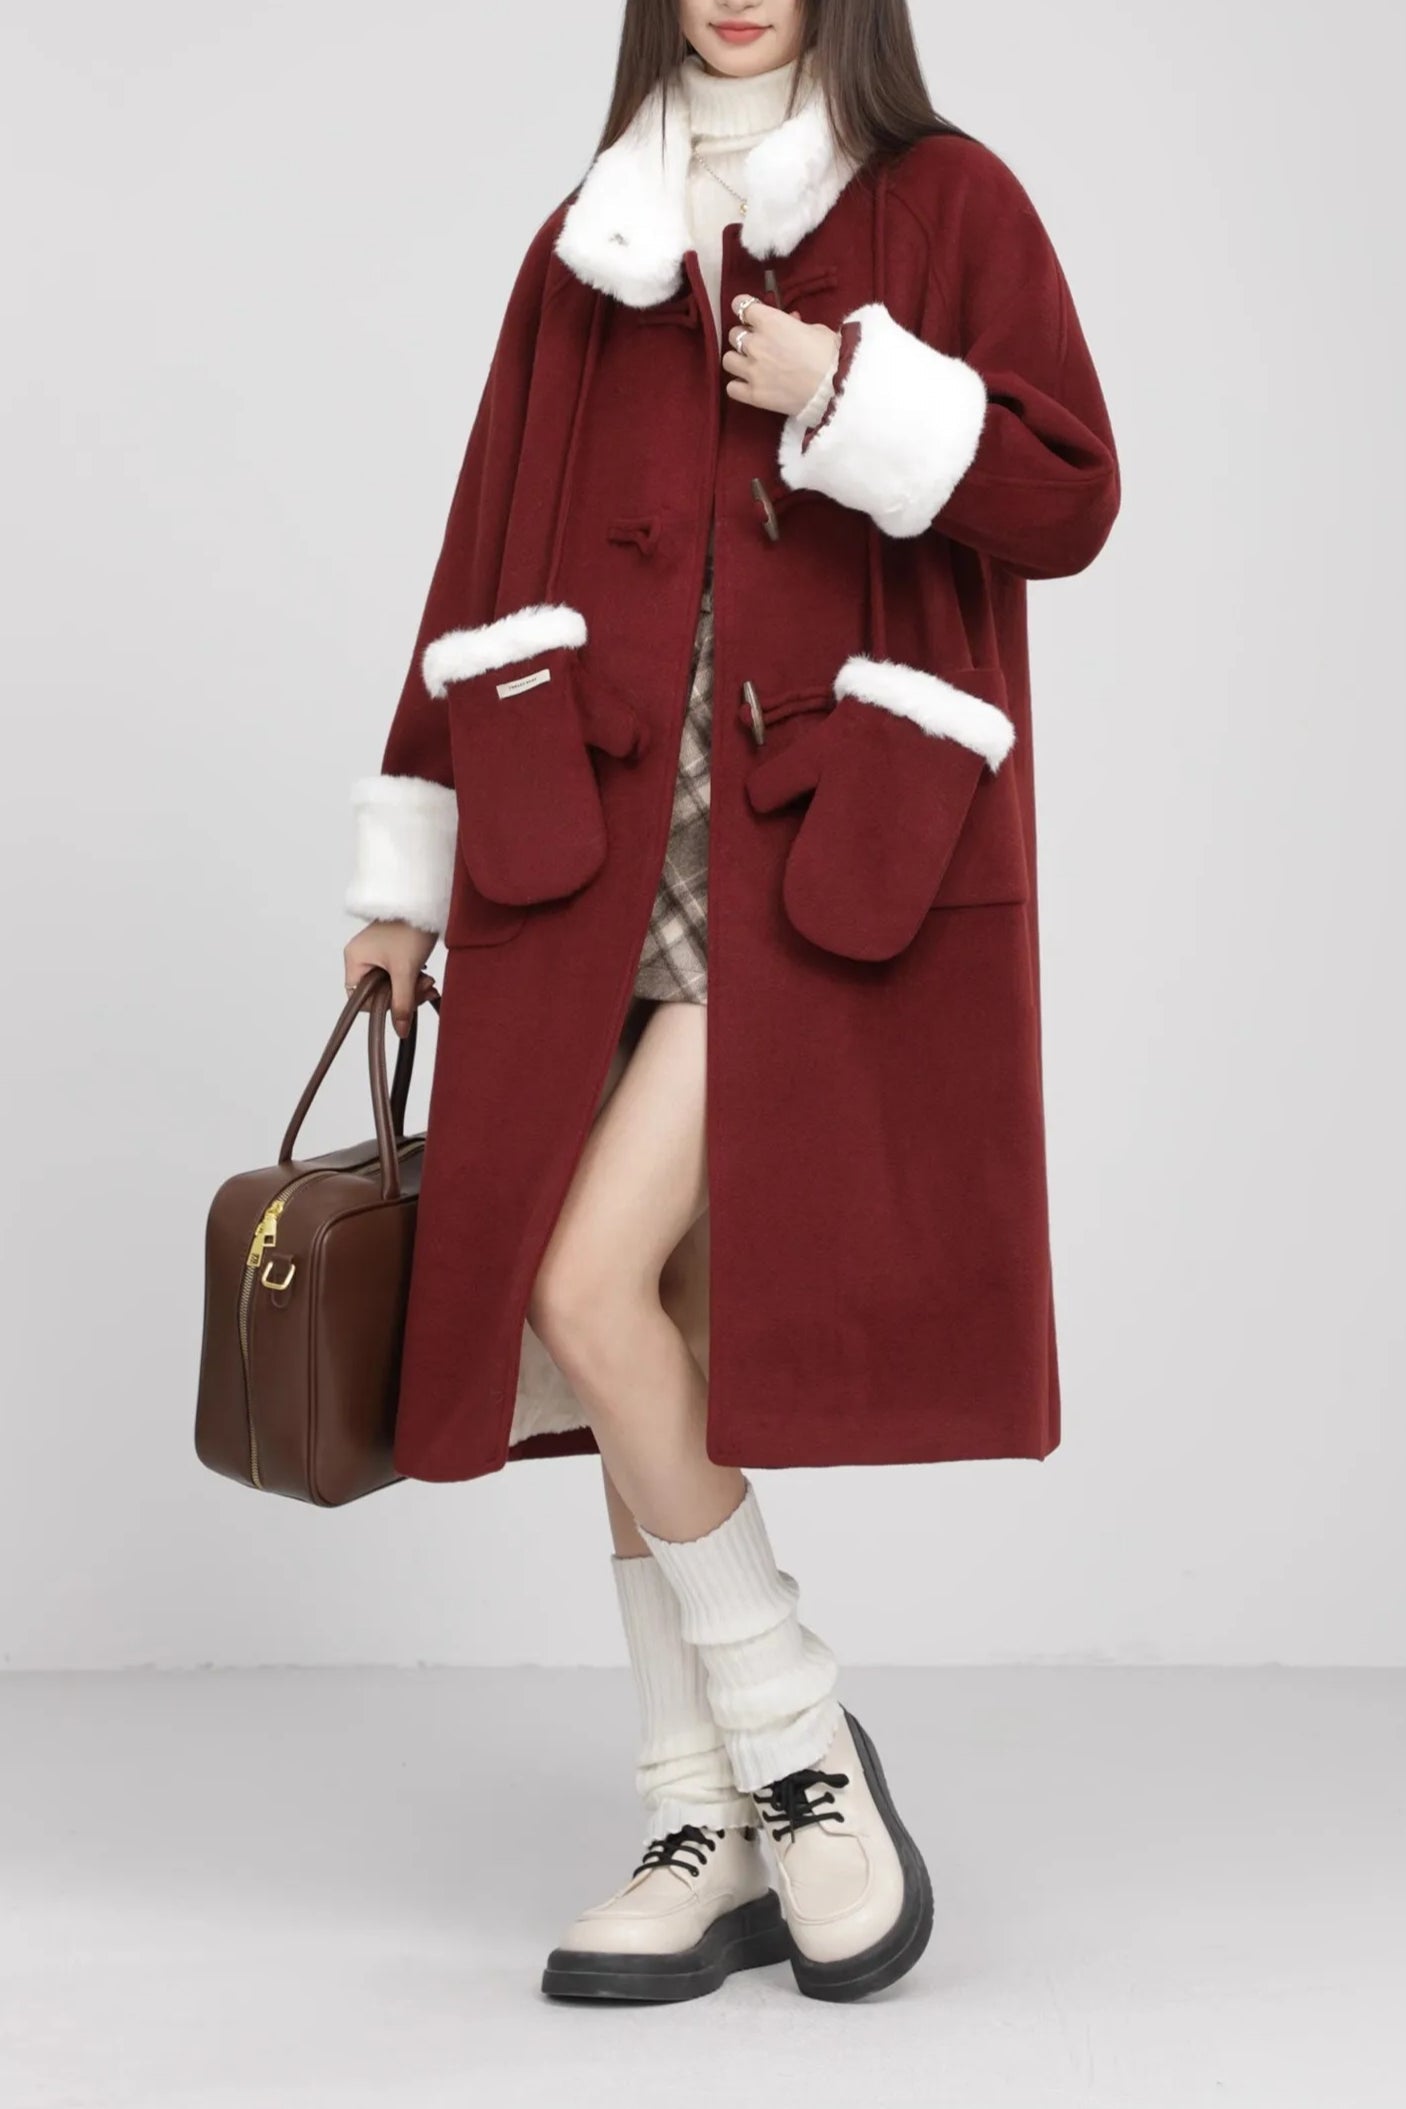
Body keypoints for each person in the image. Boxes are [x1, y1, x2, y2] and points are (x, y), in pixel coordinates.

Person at [341, 0, 1119, 2006]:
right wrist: (405, 872)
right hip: (584, 843)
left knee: (579, 1284)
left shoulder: (943, 202)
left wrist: (852, 388)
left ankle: (794, 1735)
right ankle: (700, 1816)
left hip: (807, 850)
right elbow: (479, 545)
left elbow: (1067, 496)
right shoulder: (588, 233)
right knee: (647, 1331)